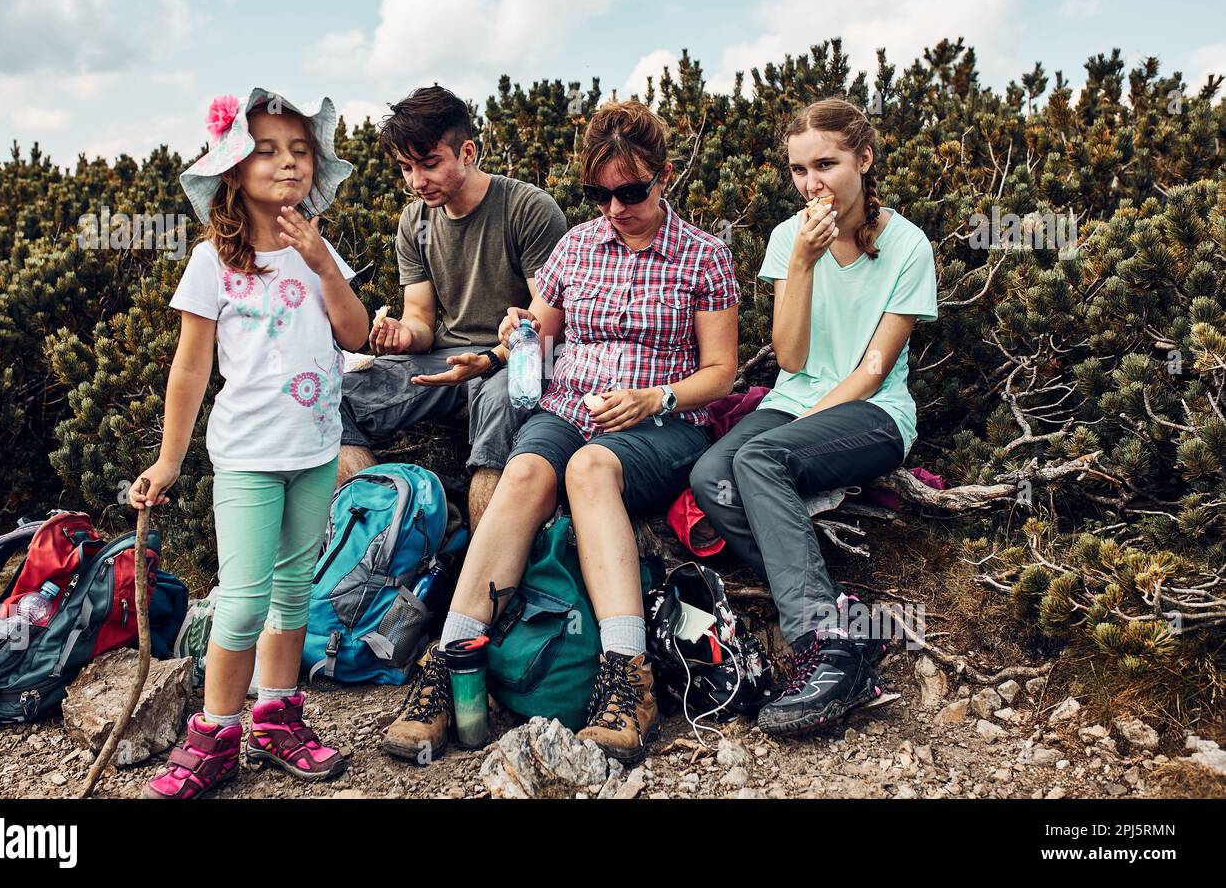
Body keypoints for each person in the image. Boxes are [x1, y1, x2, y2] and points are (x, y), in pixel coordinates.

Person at [383, 100, 739, 764]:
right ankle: (452, 662)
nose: (615, 207)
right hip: (567, 407)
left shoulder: (704, 256)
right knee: (523, 473)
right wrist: (505, 346)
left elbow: (721, 372)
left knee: (589, 471)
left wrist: (652, 397)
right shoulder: (577, 246)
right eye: (599, 194)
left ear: (664, 176)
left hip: (661, 422)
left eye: (631, 192)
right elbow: (538, 334)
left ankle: (626, 678)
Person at [130, 89, 369, 798]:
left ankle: (277, 716)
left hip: (316, 450)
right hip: (246, 459)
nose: (288, 163)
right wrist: (170, 460)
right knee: (241, 601)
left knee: (293, 593)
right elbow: (191, 368)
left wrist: (324, 263)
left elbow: (354, 335)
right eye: (267, 150)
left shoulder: (319, 253)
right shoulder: (212, 262)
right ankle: (215, 734)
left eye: (300, 151)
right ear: (234, 169)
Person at [690, 97, 938, 738]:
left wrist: (794, 431)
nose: (812, 183)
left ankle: (823, 645)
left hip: (874, 412)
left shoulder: (909, 246)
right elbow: (793, 357)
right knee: (711, 477)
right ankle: (841, 615)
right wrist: (800, 262)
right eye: (799, 170)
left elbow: (873, 369)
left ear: (865, 158)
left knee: (759, 458)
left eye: (825, 164)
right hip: (792, 400)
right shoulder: (786, 238)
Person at [336, 86, 569, 530]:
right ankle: (388, 533)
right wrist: (403, 336)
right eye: (406, 168)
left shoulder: (528, 209)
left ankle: (483, 583)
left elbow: (545, 325)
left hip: (513, 363)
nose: (416, 181)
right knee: (331, 395)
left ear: (467, 151)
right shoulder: (416, 222)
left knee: (502, 407)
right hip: (445, 362)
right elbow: (421, 319)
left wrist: (487, 361)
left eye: (429, 164)